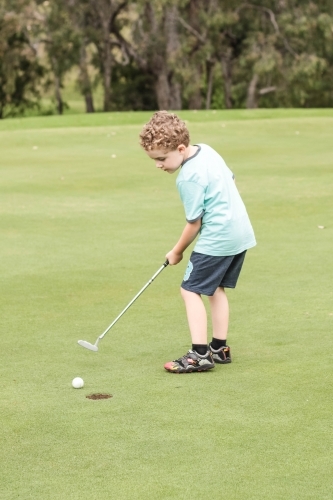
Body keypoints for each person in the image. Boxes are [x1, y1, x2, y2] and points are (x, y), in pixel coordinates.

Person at [139, 111, 256, 373]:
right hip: (240, 231)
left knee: (189, 290)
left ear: (180, 148)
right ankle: (219, 349)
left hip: (218, 237)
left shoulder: (187, 178)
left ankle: (199, 355)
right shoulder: (207, 150)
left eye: (162, 158)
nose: (158, 164)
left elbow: (194, 223)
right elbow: (231, 179)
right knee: (215, 289)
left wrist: (176, 252)